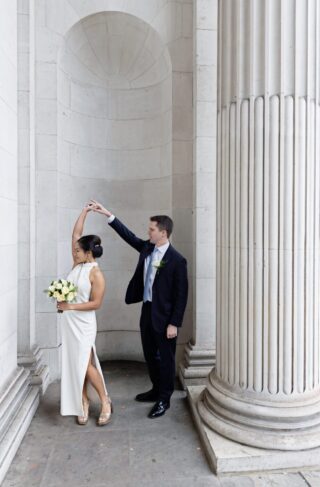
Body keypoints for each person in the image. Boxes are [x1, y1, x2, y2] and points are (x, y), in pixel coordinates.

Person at [91, 200, 188, 419]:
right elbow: (129, 236)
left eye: (152, 229)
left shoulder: (177, 260)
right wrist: (108, 214)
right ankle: (155, 389)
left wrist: (174, 323)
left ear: (163, 233)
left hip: (165, 319)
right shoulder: (147, 247)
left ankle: (164, 399)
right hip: (147, 311)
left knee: (165, 358)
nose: (148, 232)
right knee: (150, 356)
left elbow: (181, 296)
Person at [57, 204, 112, 426]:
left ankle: (104, 401)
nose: (74, 252)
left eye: (77, 250)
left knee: (86, 365)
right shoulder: (77, 264)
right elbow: (76, 234)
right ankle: (83, 402)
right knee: (73, 363)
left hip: (84, 323)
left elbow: (96, 303)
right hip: (68, 323)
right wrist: (85, 212)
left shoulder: (96, 273)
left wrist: (69, 307)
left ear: (88, 253)